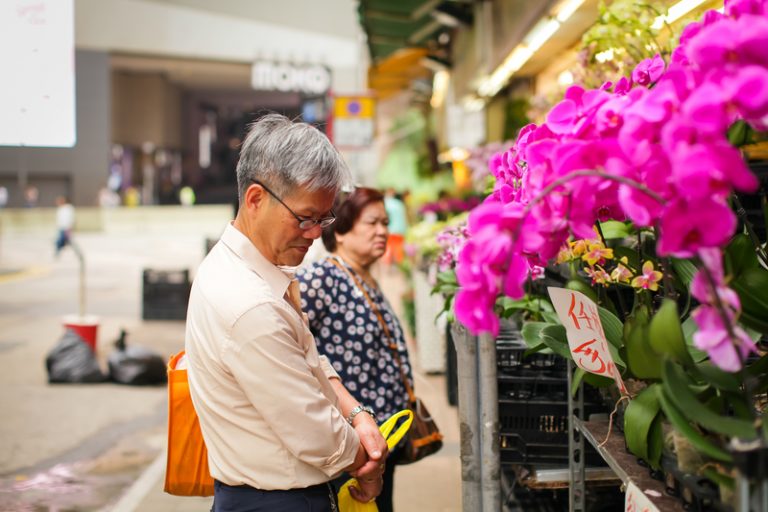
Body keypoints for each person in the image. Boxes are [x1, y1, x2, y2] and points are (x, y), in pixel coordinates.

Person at [185, 114, 387, 512]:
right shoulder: (250, 303)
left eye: (324, 219)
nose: (315, 234)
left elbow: (308, 358)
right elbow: (316, 433)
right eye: (306, 218)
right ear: (256, 199)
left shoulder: (250, 269)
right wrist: (368, 462)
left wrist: (358, 414)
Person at [298, 187, 415, 512]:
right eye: (372, 223)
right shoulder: (323, 277)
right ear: (342, 229)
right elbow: (292, 341)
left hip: (379, 444)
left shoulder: (364, 277)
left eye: (386, 222)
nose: (383, 231)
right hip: (348, 450)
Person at [382, 188, 407, 267]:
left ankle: (388, 267)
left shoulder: (385, 204)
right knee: (398, 250)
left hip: (390, 230)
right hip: (400, 230)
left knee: (388, 249)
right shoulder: (399, 204)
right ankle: (398, 267)